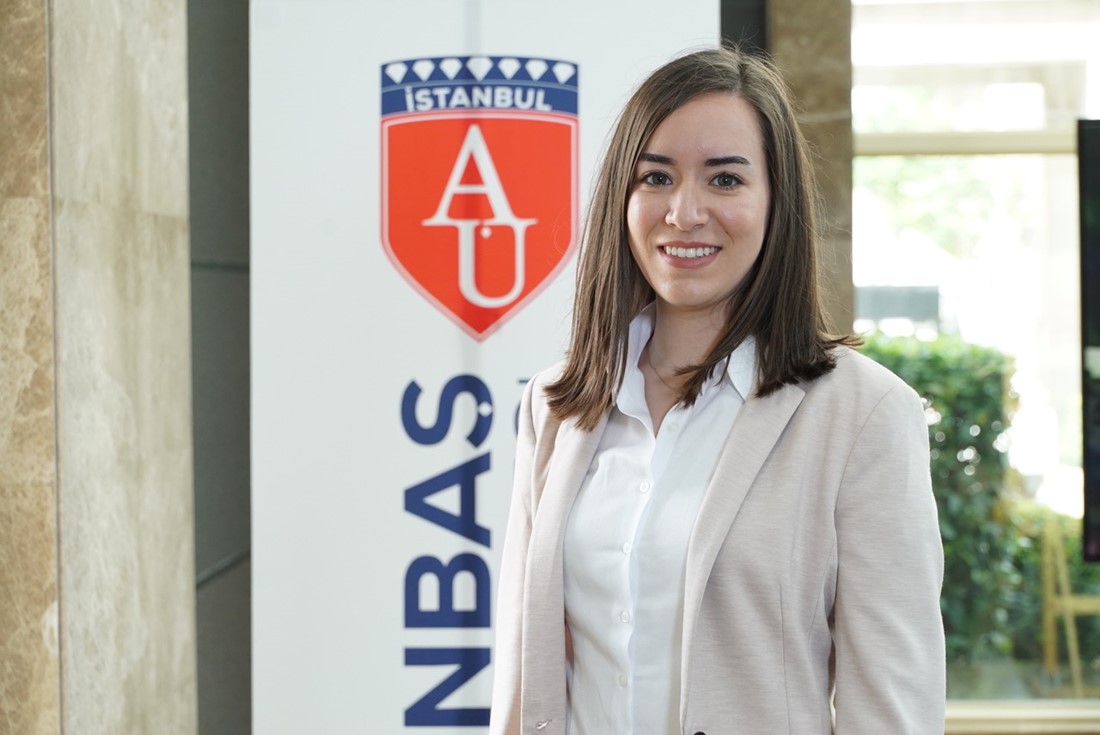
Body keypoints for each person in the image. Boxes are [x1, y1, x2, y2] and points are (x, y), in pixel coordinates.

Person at [489, 46, 945, 735]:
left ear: (776, 201)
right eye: (656, 177)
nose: (684, 212)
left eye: (725, 179)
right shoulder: (557, 404)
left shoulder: (864, 414)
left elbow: (891, 706)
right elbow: (526, 677)